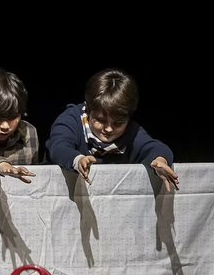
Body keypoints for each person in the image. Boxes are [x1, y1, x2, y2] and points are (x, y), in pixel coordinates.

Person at [46, 68, 179, 192]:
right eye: (100, 120)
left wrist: (160, 160)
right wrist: (77, 160)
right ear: (88, 110)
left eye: (118, 123)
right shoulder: (72, 119)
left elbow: (156, 148)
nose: (108, 129)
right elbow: (58, 146)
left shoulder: (131, 132)